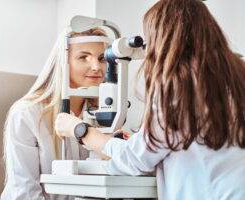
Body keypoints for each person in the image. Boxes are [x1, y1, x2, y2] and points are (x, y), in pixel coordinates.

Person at [55, 0, 245, 199]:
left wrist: (80, 130)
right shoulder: (237, 75)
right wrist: (138, 140)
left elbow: (134, 159)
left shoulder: (179, 86)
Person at [0, 26, 110, 200]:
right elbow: (25, 191)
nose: (96, 67)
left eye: (102, 58)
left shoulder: (104, 114)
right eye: (84, 57)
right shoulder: (27, 113)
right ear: (63, 62)